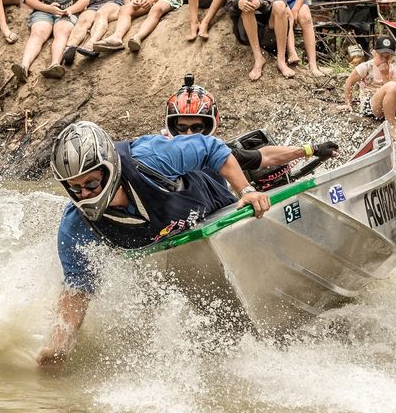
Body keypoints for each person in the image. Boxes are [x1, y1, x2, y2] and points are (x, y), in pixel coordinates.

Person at [38, 120, 270, 369]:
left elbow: (212, 148)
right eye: (75, 187)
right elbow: (77, 290)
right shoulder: (76, 226)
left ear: (109, 168)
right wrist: (59, 348)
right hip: (172, 246)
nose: (84, 193)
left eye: (92, 183)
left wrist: (246, 190)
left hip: (213, 201)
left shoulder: (150, 156)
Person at [163, 75, 339, 177]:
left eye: (196, 128)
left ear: (210, 126)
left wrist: (312, 149)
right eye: (181, 128)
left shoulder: (218, 152)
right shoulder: (158, 152)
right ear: (171, 126)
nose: (188, 134)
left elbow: (265, 156)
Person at [226, 0, 294, 80]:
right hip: (247, 33)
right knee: (247, 4)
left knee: (280, 5)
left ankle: (281, 60)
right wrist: (239, 3)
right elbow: (228, 6)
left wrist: (260, 4)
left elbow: (278, 0)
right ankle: (258, 59)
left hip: (271, 32)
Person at [341, 35, 396, 142]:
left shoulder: (393, 69)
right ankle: (391, 126)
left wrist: (385, 75)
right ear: (374, 53)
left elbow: (394, 92)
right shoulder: (366, 67)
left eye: (388, 57)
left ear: (392, 56)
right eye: (381, 56)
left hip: (389, 105)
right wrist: (348, 103)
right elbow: (349, 82)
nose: (384, 60)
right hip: (370, 106)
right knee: (392, 86)